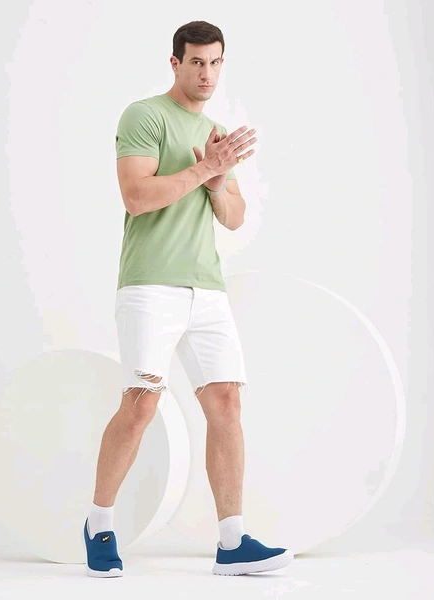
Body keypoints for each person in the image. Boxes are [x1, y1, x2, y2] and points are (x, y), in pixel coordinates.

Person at [82, 20, 292, 577]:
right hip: (150, 284)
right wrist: (205, 168)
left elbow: (235, 216)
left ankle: (232, 542)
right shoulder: (144, 116)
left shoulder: (216, 133)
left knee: (227, 404)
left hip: (207, 289)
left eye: (215, 62)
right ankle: (98, 524)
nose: (206, 73)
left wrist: (219, 181)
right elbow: (136, 196)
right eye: (196, 62)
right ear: (175, 63)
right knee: (141, 404)